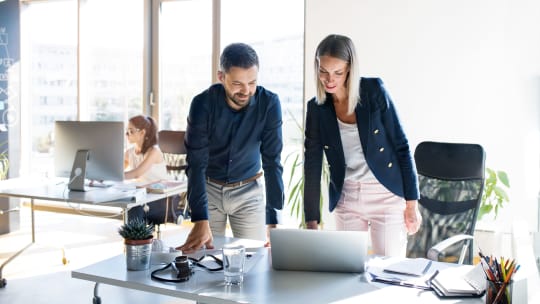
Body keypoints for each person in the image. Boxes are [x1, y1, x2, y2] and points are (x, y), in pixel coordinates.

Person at [303, 34, 421, 257]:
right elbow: (312, 166)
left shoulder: (373, 91)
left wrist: (411, 204)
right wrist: (312, 222)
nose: (329, 79)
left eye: (337, 72)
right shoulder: (317, 109)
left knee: (389, 272)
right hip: (347, 198)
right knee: (347, 271)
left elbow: (401, 146)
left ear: (349, 69)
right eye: (323, 71)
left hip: (385, 195)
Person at [177, 43, 284, 253]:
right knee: (203, 259)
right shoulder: (202, 104)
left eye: (252, 82)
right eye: (237, 83)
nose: (246, 91)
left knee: (254, 260)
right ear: (221, 77)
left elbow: (272, 162)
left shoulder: (269, 104)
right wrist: (199, 218)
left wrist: (273, 221)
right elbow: (196, 163)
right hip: (209, 190)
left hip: (248, 193)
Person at [124, 115, 171, 223]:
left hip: (159, 199)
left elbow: (137, 173)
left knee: (134, 207)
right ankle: (133, 238)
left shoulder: (154, 151)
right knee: (129, 203)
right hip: (143, 195)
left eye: (130, 131)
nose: (127, 134)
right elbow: (116, 169)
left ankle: (135, 239)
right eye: (127, 131)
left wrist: (114, 175)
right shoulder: (130, 152)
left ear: (142, 132)